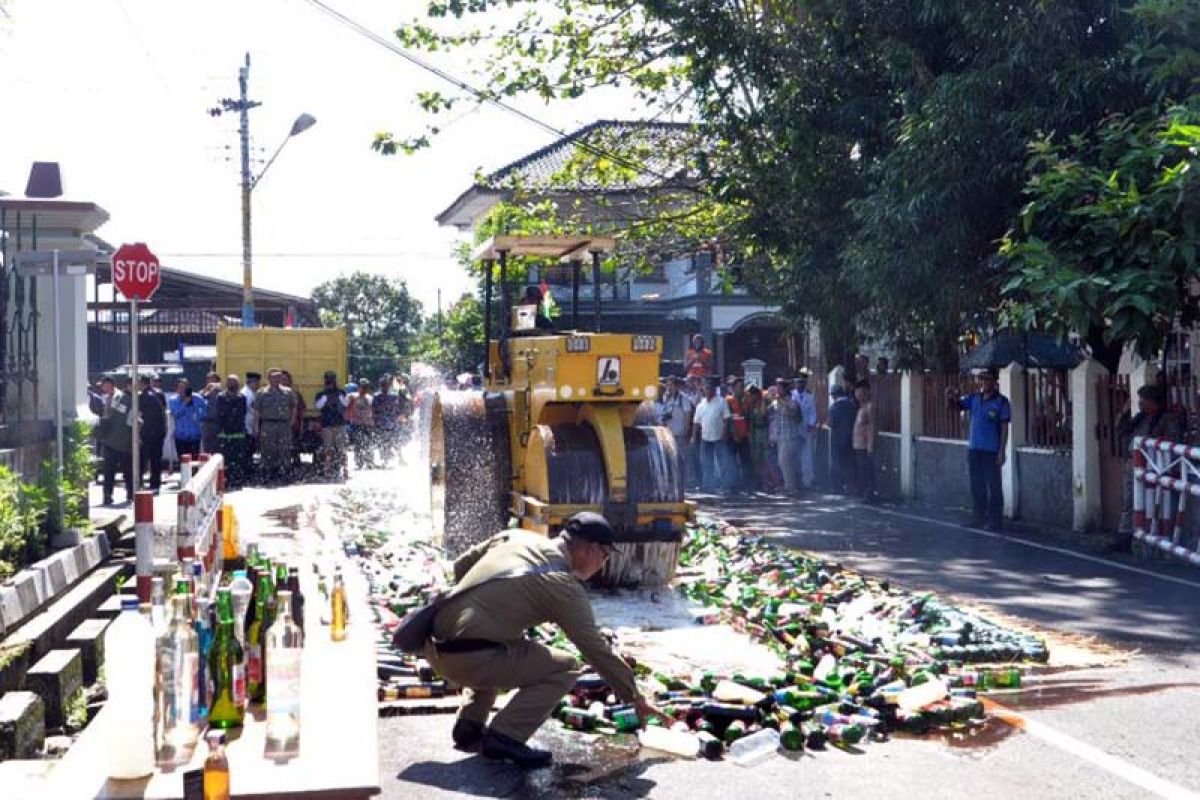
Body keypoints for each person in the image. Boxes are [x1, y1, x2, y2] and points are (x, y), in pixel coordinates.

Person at [423, 512, 667, 768]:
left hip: (434, 649)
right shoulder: (563, 586)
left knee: (500, 639)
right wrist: (635, 697)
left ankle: (469, 725)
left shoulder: (513, 537)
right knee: (567, 665)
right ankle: (505, 736)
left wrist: (489, 609)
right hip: (470, 660)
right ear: (591, 549)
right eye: (605, 556)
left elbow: (460, 567)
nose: (603, 564)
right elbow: (594, 649)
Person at [1117, 384, 1184, 546]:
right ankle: (1126, 535)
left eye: (1144, 400)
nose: (1140, 403)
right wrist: (1124, 412)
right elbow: (1121, 429)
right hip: (1134, 462)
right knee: (1129, 500)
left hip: (1155, 465)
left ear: (1154, 402)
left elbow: (1172, 442)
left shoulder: (1167, 419)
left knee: (1153, 502)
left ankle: (1148, 537)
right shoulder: (1140, 417)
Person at [947, 368, 1011, 530]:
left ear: (995, 382)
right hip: (975, 449)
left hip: (991, 451)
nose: (984, 383)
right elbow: (957, 407)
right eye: (982, 380)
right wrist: (950, 397)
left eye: (988, 380)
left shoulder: (1002, 402)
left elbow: (1004, 428)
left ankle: (995, 520)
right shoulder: (974, 398)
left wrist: (1002, 450)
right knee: (977, 485)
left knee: (994, 486)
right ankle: (979, 517)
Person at [93, 376, 133, 505]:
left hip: (122, 441)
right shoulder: (107, 399)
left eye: (103, 385)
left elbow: (129, 419)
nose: (102, 388)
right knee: (108, 470)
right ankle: (107, 495)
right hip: (109, 441)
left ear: (110, 384)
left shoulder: (123, 398)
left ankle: (130, 493)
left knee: (127, 470)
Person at [255, 368, 297, 487]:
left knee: (285, 449)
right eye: (274, 377)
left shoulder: (288, 392)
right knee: (268, 450)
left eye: (279, 377)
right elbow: (257, 411)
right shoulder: (262, 393)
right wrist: (256, 427)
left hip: (284, 424)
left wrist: (292, 421)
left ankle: (284, 475)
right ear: (269, 378)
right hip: (268, 425)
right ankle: (268, 475)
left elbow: (294, 407)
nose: (277, 379)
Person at [692, 378, 732, 492]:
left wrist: (725, 433)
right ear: (703, 389)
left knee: (722, 463)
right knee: (705, 462)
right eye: (706, 388)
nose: (708, 390)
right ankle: (707, 485)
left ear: (714, 389)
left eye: (710, 388)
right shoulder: (701, 404)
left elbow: (726, 419)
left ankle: (724, 486)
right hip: (705, 437)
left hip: (719, 437)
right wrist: (693, 437)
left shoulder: (721, 401)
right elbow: (696, 422)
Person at [655, 376, 694, 488]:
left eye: (671, 385)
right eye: (667, 385)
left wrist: (686, 432)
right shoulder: (666, 399)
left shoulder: (684, 399)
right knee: (671, 460)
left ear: (677, 386)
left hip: (680, 435)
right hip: (669, 436)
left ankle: (688, 481)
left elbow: (688, 416)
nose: (669, 388)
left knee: (683, 459)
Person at [214, 375, 250, 488]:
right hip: (225, 433)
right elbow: (220, 413)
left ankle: (237, 480)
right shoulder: (221, 397)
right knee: (225, 458)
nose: (231, 384)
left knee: (238, 458)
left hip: (238, 433)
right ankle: (226, 480)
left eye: (234, 382)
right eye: (229, 381)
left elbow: (242, 413)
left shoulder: (242, 397)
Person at [316, 371, 350, 480]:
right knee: (328, 449)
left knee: (341, 449)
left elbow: (346, 404)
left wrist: (337, 396)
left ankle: (345, 470)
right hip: (327, 425)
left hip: (339, 424)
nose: (330, 382)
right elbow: (319, 406)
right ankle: (327, 470)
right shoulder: (321, 394)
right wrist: (327, 396)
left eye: (331, 380)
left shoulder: (341, 393)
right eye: (328, 380)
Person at [137, 374, 168, 494]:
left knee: (142, 459)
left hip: (145, 431)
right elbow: (163, 411)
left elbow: (138, 414)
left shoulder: (140, 397)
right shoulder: (159, 394)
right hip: (158, 432)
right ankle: (155, 483)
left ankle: (139, 482)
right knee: (156, 459)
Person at [774, 377, 803, 494]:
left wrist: (783, 403)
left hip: (791, 436)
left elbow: (794, 414)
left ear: (785, 389)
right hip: (780, 437)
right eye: (777, 387)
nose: (778, 389)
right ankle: (790, 486)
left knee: (784, 461)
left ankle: (790, 487)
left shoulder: (792, 401)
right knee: (785, 462)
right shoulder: (776, 402)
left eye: (780, 387)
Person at [168, 378, 206, 464]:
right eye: (180, 387)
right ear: (177, 389)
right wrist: (185, 403)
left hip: (194, 435)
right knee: (183, 461)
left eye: (185, 387)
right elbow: (176, 414)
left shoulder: (197, 398)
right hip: (180, 436)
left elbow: (204, 413)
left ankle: (194, 476)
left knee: (194, 462)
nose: (183, 390)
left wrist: (197, 412)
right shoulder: (173, 400)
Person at [828, 384, 857, 494]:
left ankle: (837, 487)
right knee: (850, 463)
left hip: (837, 439)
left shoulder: (834, 407)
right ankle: (851, 486)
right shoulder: (851, 404)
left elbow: (831, 423)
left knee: (837, 463)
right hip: (851, 438)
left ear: (834, 395)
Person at [791, 371, 818, 490]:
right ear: (795, 383)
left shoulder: (810, 397)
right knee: (793, 455)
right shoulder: (791, 395)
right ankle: (794, 480)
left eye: (802, 382)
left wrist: (811, 425)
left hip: (806, 430)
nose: (800, 385)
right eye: (798, 382)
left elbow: (813, 413)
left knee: (807, 456)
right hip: (793, 430)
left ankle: (807, 481)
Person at [725, 378, 752, 492]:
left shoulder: (746, 401)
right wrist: (734, 434)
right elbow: (729, 419)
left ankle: (746, 484)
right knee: (731, 462)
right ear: (734, 388)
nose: (742, 389)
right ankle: (732, 485)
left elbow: (748, 418)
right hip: (732, 437)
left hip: (744, 436)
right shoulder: (728, 401)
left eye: (743, 387)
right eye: (740, 387)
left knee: (746, 461)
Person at [853, 380, 876, 502]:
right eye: (856, 391)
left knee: (867, 470)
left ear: (866, 391)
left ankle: (869, 492)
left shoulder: (869, 407)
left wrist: (870, 445)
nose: (857, 394)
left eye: (860, 391)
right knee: (862, 469)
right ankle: (864, 492)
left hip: (864, 445)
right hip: (858, 444)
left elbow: (871, 427)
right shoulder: (861, 407)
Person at [373, 374, 402, 465]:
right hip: (382, 423)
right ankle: (386, 460)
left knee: (394, 441)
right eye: (383, 385)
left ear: (389, 385)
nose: (384, 386)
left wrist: (399, 417)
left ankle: (400, 458)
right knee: (383, 442)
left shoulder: (393, 396)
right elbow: (374, 409)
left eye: (386, 384)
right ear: (381, 386)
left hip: (391, 423)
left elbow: (397, 408)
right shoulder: (377, 396)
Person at [745, 384, 770, 492]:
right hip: (755, 433)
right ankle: (757, 482)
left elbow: (767, 419)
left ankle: (766, 483)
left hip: (764, 432)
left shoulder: (765, 403)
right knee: (755, 459)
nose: (750, 397)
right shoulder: (750, 405)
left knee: (765, 459)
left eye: (751, 395)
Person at [348, 378, 376, 470]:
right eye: (362, 387)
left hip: (368, 424)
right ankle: (359, 462)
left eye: (365, 387)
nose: (364, 389)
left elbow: (373, 410)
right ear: (359, 387)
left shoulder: (369, 398)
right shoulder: (353, 396)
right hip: (358, 423)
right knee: (358, 444)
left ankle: (369, 461)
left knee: (369, 443)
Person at [242, 372, 262, 482]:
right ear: (251, 382)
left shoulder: (252, 393)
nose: (258, 385)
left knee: (250, 451)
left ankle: (248, 473)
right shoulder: (246, 394)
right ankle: (246, 475)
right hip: (247, 426)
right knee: (247, 452)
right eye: (257, 383)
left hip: (250, 427)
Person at [199, 371, 222, 454]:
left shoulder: (221, 392)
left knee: (218, 445)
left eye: (213, 379)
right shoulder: (203, 391)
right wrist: (207, 389)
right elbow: (199, 399)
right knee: (207, 445)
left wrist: (217, 388)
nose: (210, 382)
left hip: (218, 422)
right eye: (209, 379)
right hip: (206, 423)